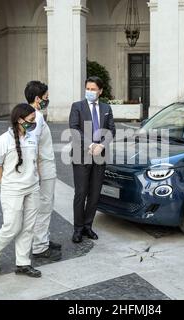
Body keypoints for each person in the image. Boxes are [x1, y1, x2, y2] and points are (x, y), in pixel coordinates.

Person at [0, 103, 42, 277]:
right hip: (12, 190)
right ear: (19, 120)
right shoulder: (4, 140)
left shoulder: (32, 137)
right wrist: (7, 185)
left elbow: (35, 160)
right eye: (31, 120)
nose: (34, 123)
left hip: (32, 188)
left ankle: (23, 263)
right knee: (12, 226)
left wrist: (36, 179)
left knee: (29, 227)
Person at [69, 76, 115, 243]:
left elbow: (111, 130)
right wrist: (90, 145)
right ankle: (78, 228)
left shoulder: (106, 108)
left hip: (100, 156)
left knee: (95, 194)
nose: (89, 92)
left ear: (100, 91)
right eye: (87, 89)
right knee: (81, 193)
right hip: (81, 155)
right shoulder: (77, 107)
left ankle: (88, 226)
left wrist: (101, 146)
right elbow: (74, 128)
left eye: (93, 89)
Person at [24, 81, 61, 261]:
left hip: (44, 167)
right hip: (43, 169)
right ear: (37, 98)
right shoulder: (36, 118)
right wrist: (35, 173)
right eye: (46, 97)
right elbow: (32, 145)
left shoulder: (33, 116)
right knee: (44, 207)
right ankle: (39, 246)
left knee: (45, 205)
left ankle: (42, 239)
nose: (47, 100)